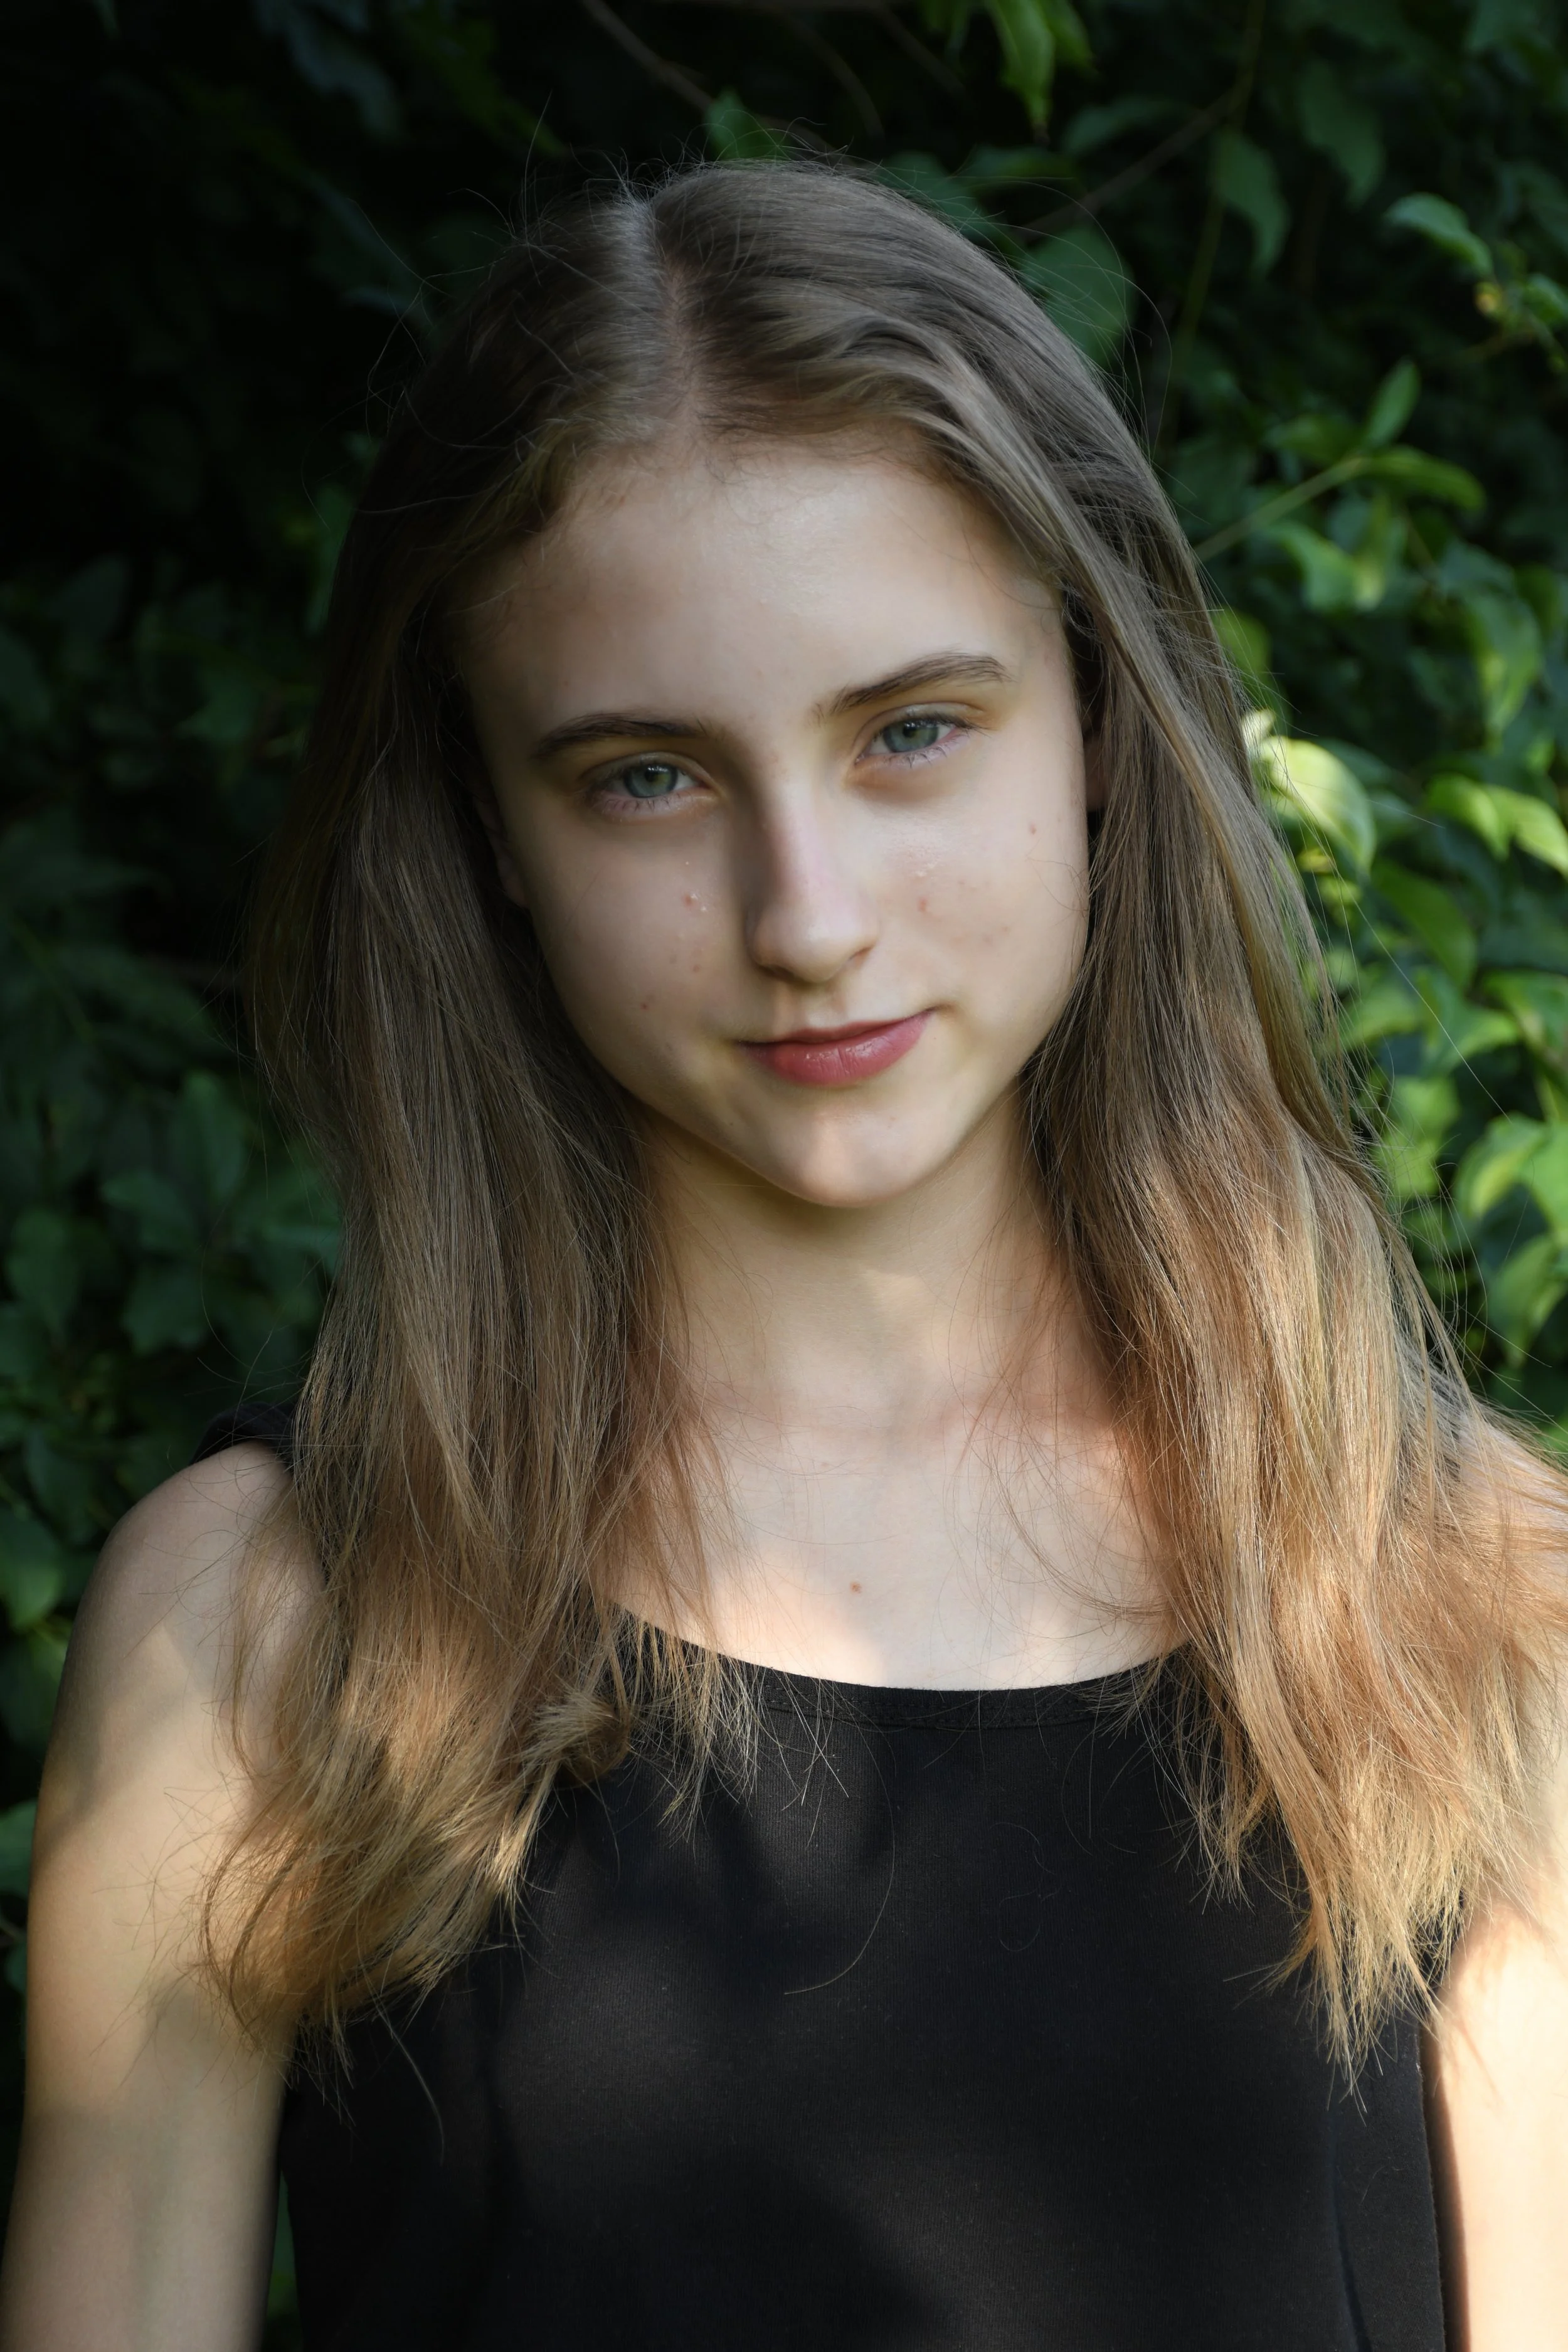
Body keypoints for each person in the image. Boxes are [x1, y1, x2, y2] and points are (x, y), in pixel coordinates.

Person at [3, 160, 1566, 2352]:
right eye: (647, 777)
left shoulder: (1457, 1597)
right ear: (488, 839)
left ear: (1102, 727)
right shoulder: (280, 1627)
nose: (805, 910)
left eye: (910, 730)